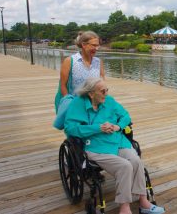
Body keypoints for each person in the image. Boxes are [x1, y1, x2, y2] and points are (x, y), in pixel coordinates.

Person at [64, 77, 165, 214]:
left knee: (136, 161)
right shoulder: (78, 104)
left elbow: (126, 116)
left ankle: (143, 202)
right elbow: (70, 129)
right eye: (102, 91)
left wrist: (117, 126)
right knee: (125, 166)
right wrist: (98, 128)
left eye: (107, 90)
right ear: (91, 93)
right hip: (96, 147)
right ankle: (124, 208)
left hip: (118, 142)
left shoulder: (109, 101)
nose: (106, 93)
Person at [53, 30, 105, 129]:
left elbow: (102, 84)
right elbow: (63, 86)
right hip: (76, 104)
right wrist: (70, 104)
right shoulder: (70, 61)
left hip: (94, 105)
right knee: (77, 133)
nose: (96, 48)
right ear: (84, 45)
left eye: (98, 45)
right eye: (93, 45)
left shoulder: (98, 62)